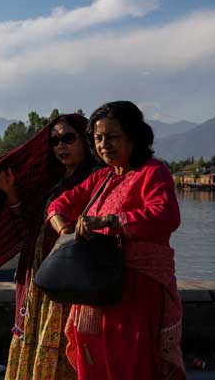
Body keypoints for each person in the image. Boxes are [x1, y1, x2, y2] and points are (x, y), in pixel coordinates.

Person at [46, 101, 185, 380]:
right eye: (97, 138)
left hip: (136, 290)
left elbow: (166, 215)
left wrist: (109, 221)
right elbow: (57, 204)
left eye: (112, 137)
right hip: (98, 287)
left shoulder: (153, 172)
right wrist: (64, 230)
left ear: (133, 136)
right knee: (95, 356)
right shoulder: (101, 178)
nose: (103, 145)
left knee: (130, 361)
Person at [0, 113, 97, 380]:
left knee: (63, 343)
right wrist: (11, 192)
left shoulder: (96, 180)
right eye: (55, 141)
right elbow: (29, 228)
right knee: (35, 337)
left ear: (85, 140)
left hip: (68, 280)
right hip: (37, 274)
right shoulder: (50, 183)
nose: (61, 146)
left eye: (68, 138)